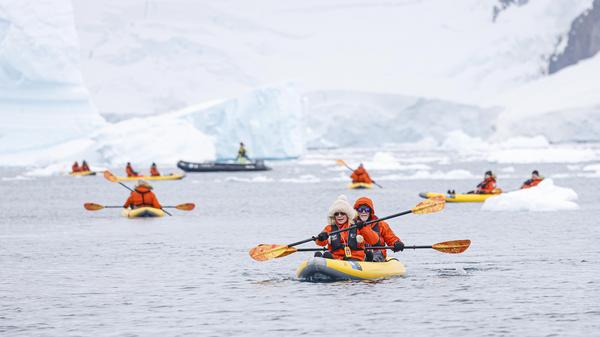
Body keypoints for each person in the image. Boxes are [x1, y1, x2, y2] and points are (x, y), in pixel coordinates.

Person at [314, 195, 379, 261]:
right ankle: (320, 262)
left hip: (355, 258)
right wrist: (321, 238)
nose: (339, 216)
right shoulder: (329, 228)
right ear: (334, 216)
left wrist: (363, 228)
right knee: (323, 254)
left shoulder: (357, 226)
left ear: (347, 215)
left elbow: (374, 240)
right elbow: (319, 243)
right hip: (336, 258)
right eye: (337, 214)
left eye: (342, 213)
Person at [354, 197, 404, 262]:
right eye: (361, 210)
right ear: (357, 211)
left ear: (370, 211)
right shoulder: (352, 224)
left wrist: (396, 243)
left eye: (366, 209)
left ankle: (370, 260)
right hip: (359, 252)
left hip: (377, 252)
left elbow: (390, 237)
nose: (364, 212)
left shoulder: (381, 224)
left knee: (376, 255)